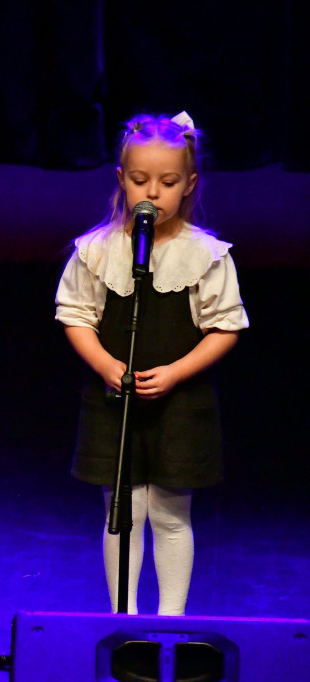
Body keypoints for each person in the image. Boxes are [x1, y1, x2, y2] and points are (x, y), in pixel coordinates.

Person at [55, 112, 249, 615]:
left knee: (170, 515)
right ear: (122, 179)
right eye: (141, 180)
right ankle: (124, 619)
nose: (153, 193)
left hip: (179, 405)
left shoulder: (206, 254)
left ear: (190, 184)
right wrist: (105, 364)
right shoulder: (97, 250)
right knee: (123, 513)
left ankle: (171, 622)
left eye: (167, 183)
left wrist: (177, 372)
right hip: (115, 401)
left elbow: (226, 326)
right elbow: (75, 315)